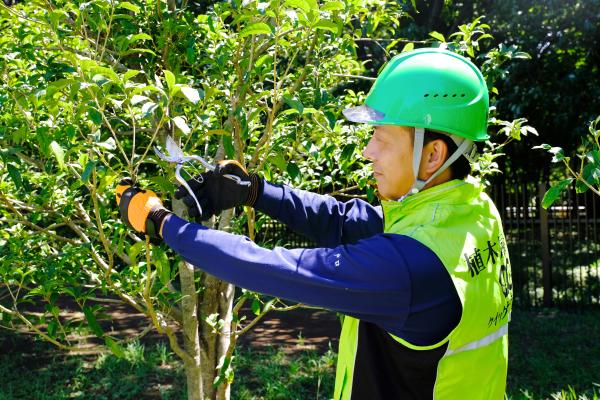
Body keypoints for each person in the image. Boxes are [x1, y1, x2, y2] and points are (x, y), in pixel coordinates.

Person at [115, 48, 513, 399]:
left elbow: (270, 267)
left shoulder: (412, 269)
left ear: (432, 155)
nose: (368, 151)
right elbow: (348, 221)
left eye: (382, 138)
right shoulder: (471, 211)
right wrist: (254, 191)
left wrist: (162, 223)